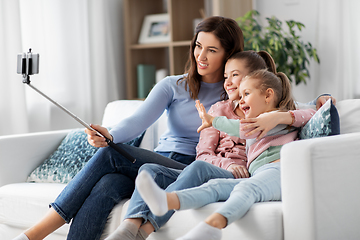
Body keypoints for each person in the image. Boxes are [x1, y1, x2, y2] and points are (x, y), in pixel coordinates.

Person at [12, 16, 245, 240]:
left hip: (190, 167)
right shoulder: (173, 85)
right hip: (157, 160)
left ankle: (33, 235)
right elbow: (138, 121)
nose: (201, 56)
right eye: (198, 46)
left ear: (228, 54)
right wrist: (110, 135)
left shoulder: (238, 94)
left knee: (110, 153)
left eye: (211, 50)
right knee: (107, 185)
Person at [105, 51, 333, 240]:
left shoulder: (274, 111)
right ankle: (133, 225)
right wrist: (212, 121)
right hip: (233, 170)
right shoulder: (234, 113)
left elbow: (309, 110)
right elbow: (218, 139)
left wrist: (289, 114)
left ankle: (151, 228)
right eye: (226, 76)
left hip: (258, 173)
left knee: (213, 176)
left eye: (236, 76)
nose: (229, 83)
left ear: (258, 83)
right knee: (151, 170)